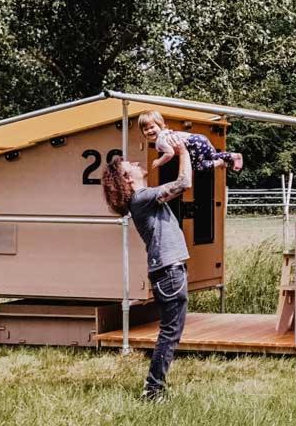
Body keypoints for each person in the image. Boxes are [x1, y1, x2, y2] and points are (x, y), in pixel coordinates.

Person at [101, 135, 192, 403]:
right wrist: (182, 151)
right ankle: (153, 389)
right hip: (168, 271)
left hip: (167, 271)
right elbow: (184, 183)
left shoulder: (144, 199)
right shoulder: (141, 198)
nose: (132, 162)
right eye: (126, 165)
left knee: (171, 331)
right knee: (170, 332)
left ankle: (154, 387)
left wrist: (169, 155)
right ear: (126, 179)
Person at [138, 110, 243, 171]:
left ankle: (220, 163)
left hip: (192, 144)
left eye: (152, 127)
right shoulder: (166, 132)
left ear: (161, 126)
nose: (149, 131)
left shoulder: (160, 141)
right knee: (212, 155)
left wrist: (159, 162)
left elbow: (170, 153)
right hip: (200, 138)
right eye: (145, 129)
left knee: (196, 166)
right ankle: (233, 156)